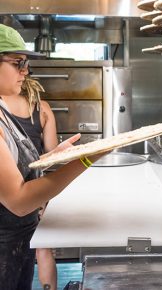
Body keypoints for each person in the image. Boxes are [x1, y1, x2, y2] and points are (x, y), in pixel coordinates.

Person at [0, 23, 107, 290]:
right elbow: (19, 201)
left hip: (17, 240)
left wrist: (54, 156)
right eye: (17, 62)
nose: (25, 71)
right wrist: (85, 159)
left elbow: (16, 165)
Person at [2, 76, 58, 289]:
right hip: (36, 188)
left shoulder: (3, 110)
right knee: (42, 247)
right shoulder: (42, 108)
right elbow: (52, 150)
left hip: (6, 189)